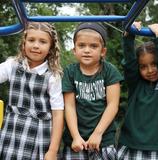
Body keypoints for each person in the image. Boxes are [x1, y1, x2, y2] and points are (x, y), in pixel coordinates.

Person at [0, 22, 64, 160]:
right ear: (23, 44)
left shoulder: (52, 76)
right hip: (12, 131)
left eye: (42, 42)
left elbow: (58, 114)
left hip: (39, 135)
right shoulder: (12, 65)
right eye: (31, 40)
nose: (36, 45)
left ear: (51, 48)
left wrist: (53, 150)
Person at [61, 22, 123, 160]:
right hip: (76, 141)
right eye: (81, 45)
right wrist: (76, 137)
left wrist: (98, 133)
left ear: (103, 51)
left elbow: (113, 105)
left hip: (104, 139)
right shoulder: (70, 72)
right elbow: (69, 106)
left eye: (93, 46)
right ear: (74, 50)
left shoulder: (110, 71)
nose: (87, 50)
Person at [118, 22, 158, 159]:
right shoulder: (136, 84)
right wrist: (129, 35)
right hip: (132, 146)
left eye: (154, 64)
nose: (150, 70)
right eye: (143, 67)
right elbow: (129, 61)